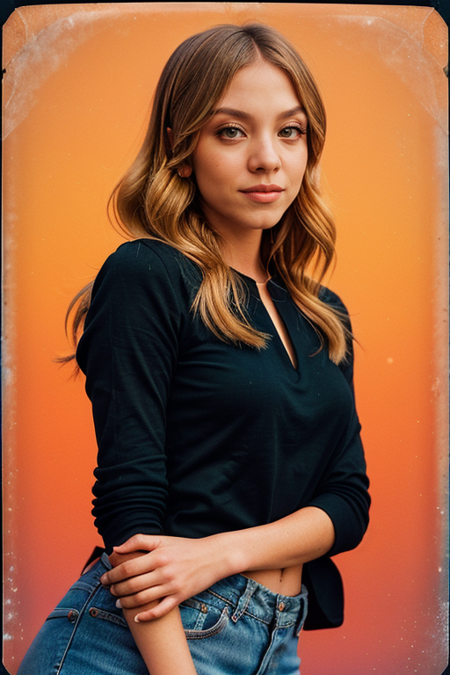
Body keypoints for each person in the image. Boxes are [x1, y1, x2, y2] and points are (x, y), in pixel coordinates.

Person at [18, 22, 370, 675]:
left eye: (289, 131)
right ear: (181, 147)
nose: (268, 158)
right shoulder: (148, 275)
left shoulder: (325, 314)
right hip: (144, 644)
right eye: (231, 131)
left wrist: (220, 552)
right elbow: (130, 498)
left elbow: (348, 503)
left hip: (275, 641)